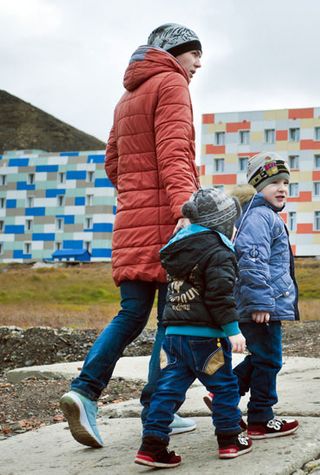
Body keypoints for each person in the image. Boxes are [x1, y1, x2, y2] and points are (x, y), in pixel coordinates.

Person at [60, 23, 202, 448]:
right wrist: (186, 209)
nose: (198, 63)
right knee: (171, 319)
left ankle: (85, 391)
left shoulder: (127, 96)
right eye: (194, 53)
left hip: (131, 221)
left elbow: (113, 164)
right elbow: (175, 152)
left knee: (130, 314)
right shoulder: (171, 83)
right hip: (166, 223)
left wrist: (139, 194)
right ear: (175, 52)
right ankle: (157, 408)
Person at [135, 188, 252, 468]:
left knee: (167, 390)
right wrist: (233, 329)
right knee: (224, 387)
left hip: (174, 336)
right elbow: (220, 295)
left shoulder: (177, 246)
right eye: (231, 222)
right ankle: (229, 439)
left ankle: (152, 446)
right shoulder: (219, 251)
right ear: (222, 223)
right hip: (206, 339)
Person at [204, 152, 300, 439]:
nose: (282, 188)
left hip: (263, 302)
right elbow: (251, 260)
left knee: (262, 357)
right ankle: (261, 415)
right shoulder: (260, 216)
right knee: (270, 359)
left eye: (285, 182)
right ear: (258, 187)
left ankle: (223, 392)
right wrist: (260, 302)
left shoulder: (261, 215)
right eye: (274, 183)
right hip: (261, 305)